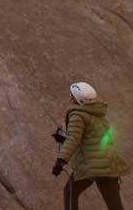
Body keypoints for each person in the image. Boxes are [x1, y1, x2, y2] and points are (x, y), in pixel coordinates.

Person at [52, 82, 129, 210]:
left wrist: (61, 161)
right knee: (114, 205)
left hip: (92, 165)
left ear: (77, 99)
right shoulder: (98, 114)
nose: (70, 97)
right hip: (108, 164)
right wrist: (63, 138)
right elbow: (91, 139)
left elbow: (74, 139)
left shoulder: (77, 114)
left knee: (70, 192)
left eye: (71, 95)